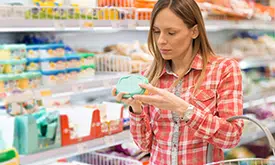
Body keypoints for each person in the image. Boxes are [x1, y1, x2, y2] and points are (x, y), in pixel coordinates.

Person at [112, 0, 244, 164]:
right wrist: (136, 109)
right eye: (156, 31)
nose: (160, 40)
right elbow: (144, 145)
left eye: (171, 33)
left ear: (194, 31)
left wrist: (183, 109)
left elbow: (231, 137)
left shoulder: (223, 69)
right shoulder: (149, 75)